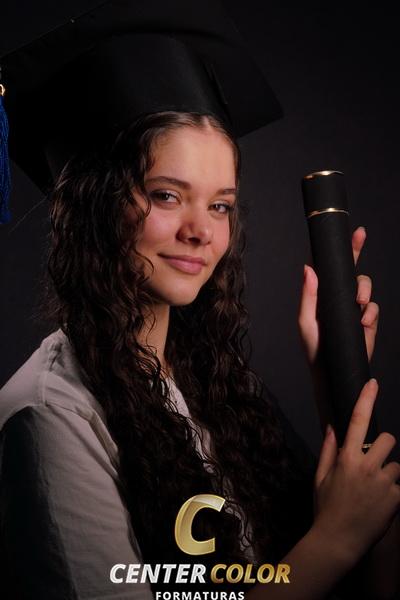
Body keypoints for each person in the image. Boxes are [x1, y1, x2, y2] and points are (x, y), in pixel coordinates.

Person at [1, 3, 399, 599]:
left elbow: (376, 579)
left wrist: (337, 390)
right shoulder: (50, 415)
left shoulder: (213, 384)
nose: (202, 232)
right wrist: (334, 540)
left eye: (219, 205)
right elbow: (335, 550)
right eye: (166, 195)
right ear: (94, 205)